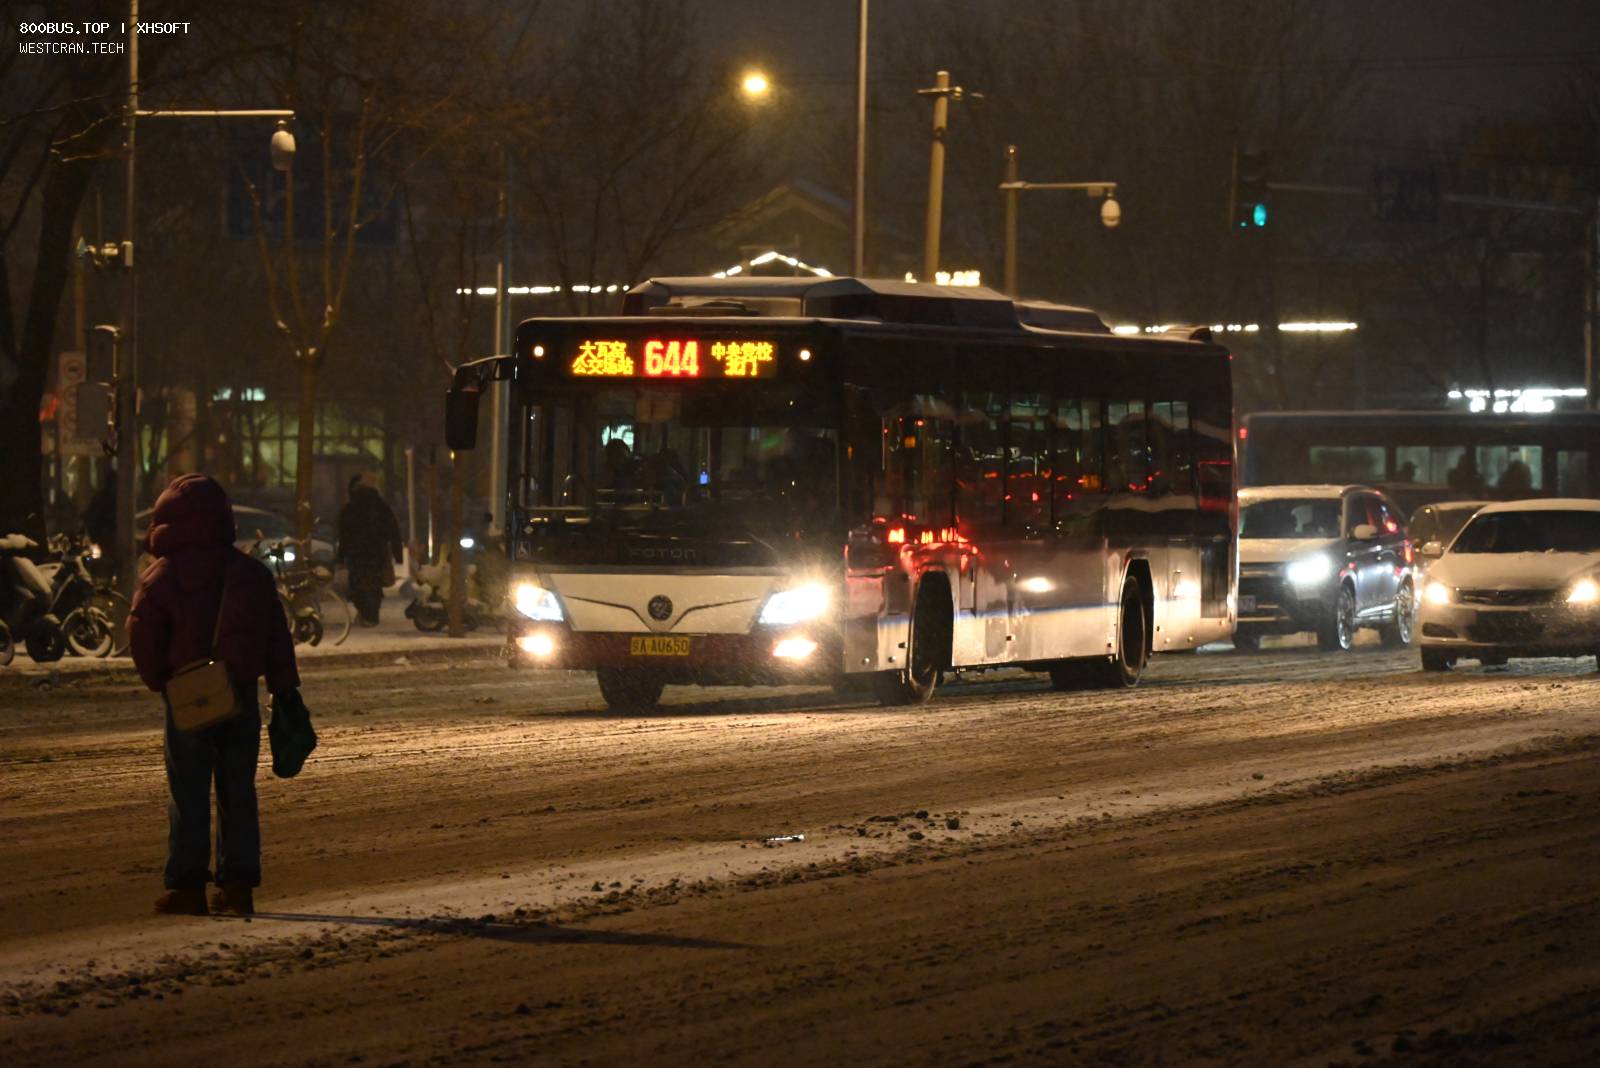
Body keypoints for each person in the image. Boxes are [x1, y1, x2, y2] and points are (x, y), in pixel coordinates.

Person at [128, 474, 300, 917]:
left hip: (187, 694)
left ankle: (187, 886)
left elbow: (142, 635)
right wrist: (284, 690)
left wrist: (162, 681)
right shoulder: (251, 575)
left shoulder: (160, 578)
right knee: (237, 790)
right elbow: (276, 638)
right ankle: (237, 884)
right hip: (238, 693)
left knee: (187, 792)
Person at [337, 472, 402, 626]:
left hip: (357, 554)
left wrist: (341, 557)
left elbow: (344, 535)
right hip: (377, 552)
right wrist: (397, 553)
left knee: (358, 585)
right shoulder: (381, 506)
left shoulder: (349, 508)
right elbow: (393, 530)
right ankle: (371, 615)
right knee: (374, 585)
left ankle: (366, 614)